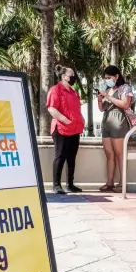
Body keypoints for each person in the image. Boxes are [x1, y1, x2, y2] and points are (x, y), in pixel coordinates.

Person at [98, 65, 136, 193]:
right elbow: (102, 108)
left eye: (109, 77)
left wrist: (108, 97)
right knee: (109, 154)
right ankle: (109, 183)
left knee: (120, 155)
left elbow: (125, 104)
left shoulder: (125, 88)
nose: (107, 80)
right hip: (106, 122)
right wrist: (100, 100)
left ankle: (122, 183)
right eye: (106, 78)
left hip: (119, 122)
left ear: (116, 76)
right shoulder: (107, 89)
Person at [47, 65, 85, 194]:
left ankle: (70, 184)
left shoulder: (74, 92)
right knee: (60, 156)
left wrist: (81, 120)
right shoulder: (55, 90)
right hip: (61, 129)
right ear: (64, 77)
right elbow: (52, 109)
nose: (74, 77)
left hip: (74, 129)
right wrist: (65, 120)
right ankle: (56, 185)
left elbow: (76, 110)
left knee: (71, 157)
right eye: (71, 75)